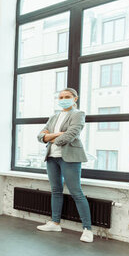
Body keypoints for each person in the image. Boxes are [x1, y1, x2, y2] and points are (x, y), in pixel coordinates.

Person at [36, 88, 93, 243]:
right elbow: (40, 136)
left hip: (70, 157)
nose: (63, 99)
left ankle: (87, 229)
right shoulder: (54, 116)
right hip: (52, 157)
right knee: (56, 190)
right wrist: (54, 135)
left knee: (76, 192)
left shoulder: (78, 114)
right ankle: (55, 223)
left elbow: (71, 134)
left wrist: (51, 138)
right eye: (61, 97)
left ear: (75, 99)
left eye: (67, 97)